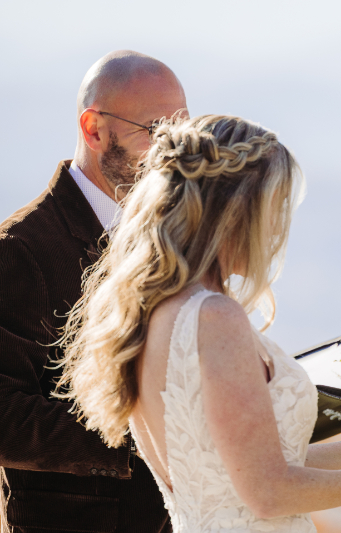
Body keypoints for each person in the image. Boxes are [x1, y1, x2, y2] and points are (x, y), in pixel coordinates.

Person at [55, 114, 341, 532]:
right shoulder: (214, 317)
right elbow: (268, 492)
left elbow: (257, 463)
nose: (278, 229)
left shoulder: (151, 311)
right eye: (274, 208)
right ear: (235, 210)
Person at [0, 50, 186, 532]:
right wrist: (139, 439)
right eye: (157, 131)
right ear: (95, 129)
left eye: (184, 130)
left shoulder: (173, 236)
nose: (176, 150)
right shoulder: (20, 248)